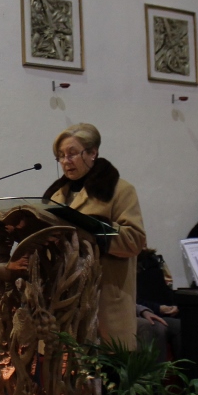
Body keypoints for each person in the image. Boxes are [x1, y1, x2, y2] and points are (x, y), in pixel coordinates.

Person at [43, 123, 147, 348]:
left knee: (104, 367)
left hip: (104, 302)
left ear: (92, 153)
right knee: (63, 367)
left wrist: (94, 228)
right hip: (64, 302)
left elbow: (135, 240)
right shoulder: (55, 196)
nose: (66, 161)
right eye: (61, 156)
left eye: (72, 153)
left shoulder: (119, 190)